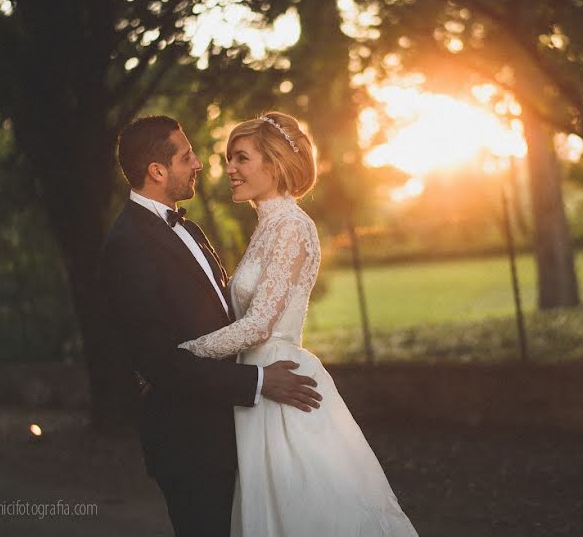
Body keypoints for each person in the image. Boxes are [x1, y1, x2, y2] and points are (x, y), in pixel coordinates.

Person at [177, 112, 418, 536]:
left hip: (280, 381)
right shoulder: (269, 227)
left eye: (241, 158)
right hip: (255, 381)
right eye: (228, 158)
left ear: (273, 164)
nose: (229, 169)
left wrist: (185, 353)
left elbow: (258, 326)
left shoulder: (290, 227)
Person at [99, 115, 322, 537]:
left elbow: (232, 319)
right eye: (187, 157)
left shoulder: (193, 230)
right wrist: (257, 381)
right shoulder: (127, 245)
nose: (200, 164)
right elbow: (157, 361)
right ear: (158, 171)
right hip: (189, 442)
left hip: (236, 425)